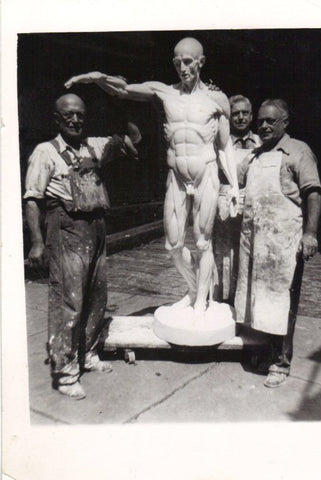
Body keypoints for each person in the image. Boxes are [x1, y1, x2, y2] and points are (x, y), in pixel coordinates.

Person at [65, 37, 238, 316]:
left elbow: (225, 145)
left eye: (188, 62)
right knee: (173, 245)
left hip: (205, 173)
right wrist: (97, 78)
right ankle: (194, 289)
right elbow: (123, 90)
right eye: (177, 62)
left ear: (201, 62)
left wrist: (234, 187)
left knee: (203, 241)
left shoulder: (216, 100)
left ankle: (203, 301)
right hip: (177, 177)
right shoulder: (164, 92)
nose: (182, 68)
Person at [24, 93, 139, 399]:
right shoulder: (44, 152)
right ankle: (65, 370)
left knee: (96, 296)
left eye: (80, 115)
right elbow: (33, 199)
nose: (75, 120)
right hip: (66, 226)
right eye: (68, 115)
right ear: (57, 119)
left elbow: (132, 137)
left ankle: (87, 354)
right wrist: (37, 242)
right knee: (68, 300)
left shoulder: (93, 146)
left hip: (96, 226)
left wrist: (118, 96)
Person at [234, 99, 321, 388]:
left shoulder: (298, 151)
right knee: (260, 300)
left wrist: (310, 234)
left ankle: (281, 362)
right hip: (257, 242)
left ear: (285, 122)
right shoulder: (255, 156)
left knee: (283, 302)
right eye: (261, 121)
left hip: (285, 243)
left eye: (272, 121)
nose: (265, 125)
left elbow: (313, 194)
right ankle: (264, 351)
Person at [213, 95, 261, 303]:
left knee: (247, 249)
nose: (240, 118)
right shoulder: (220, 143)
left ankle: (243, 302)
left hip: (251, 199)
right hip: (225, 200)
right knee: (224, 251)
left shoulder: (260, 142)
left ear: (251, 116)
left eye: (245, 113)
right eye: (236, 114)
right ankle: (223, 298)